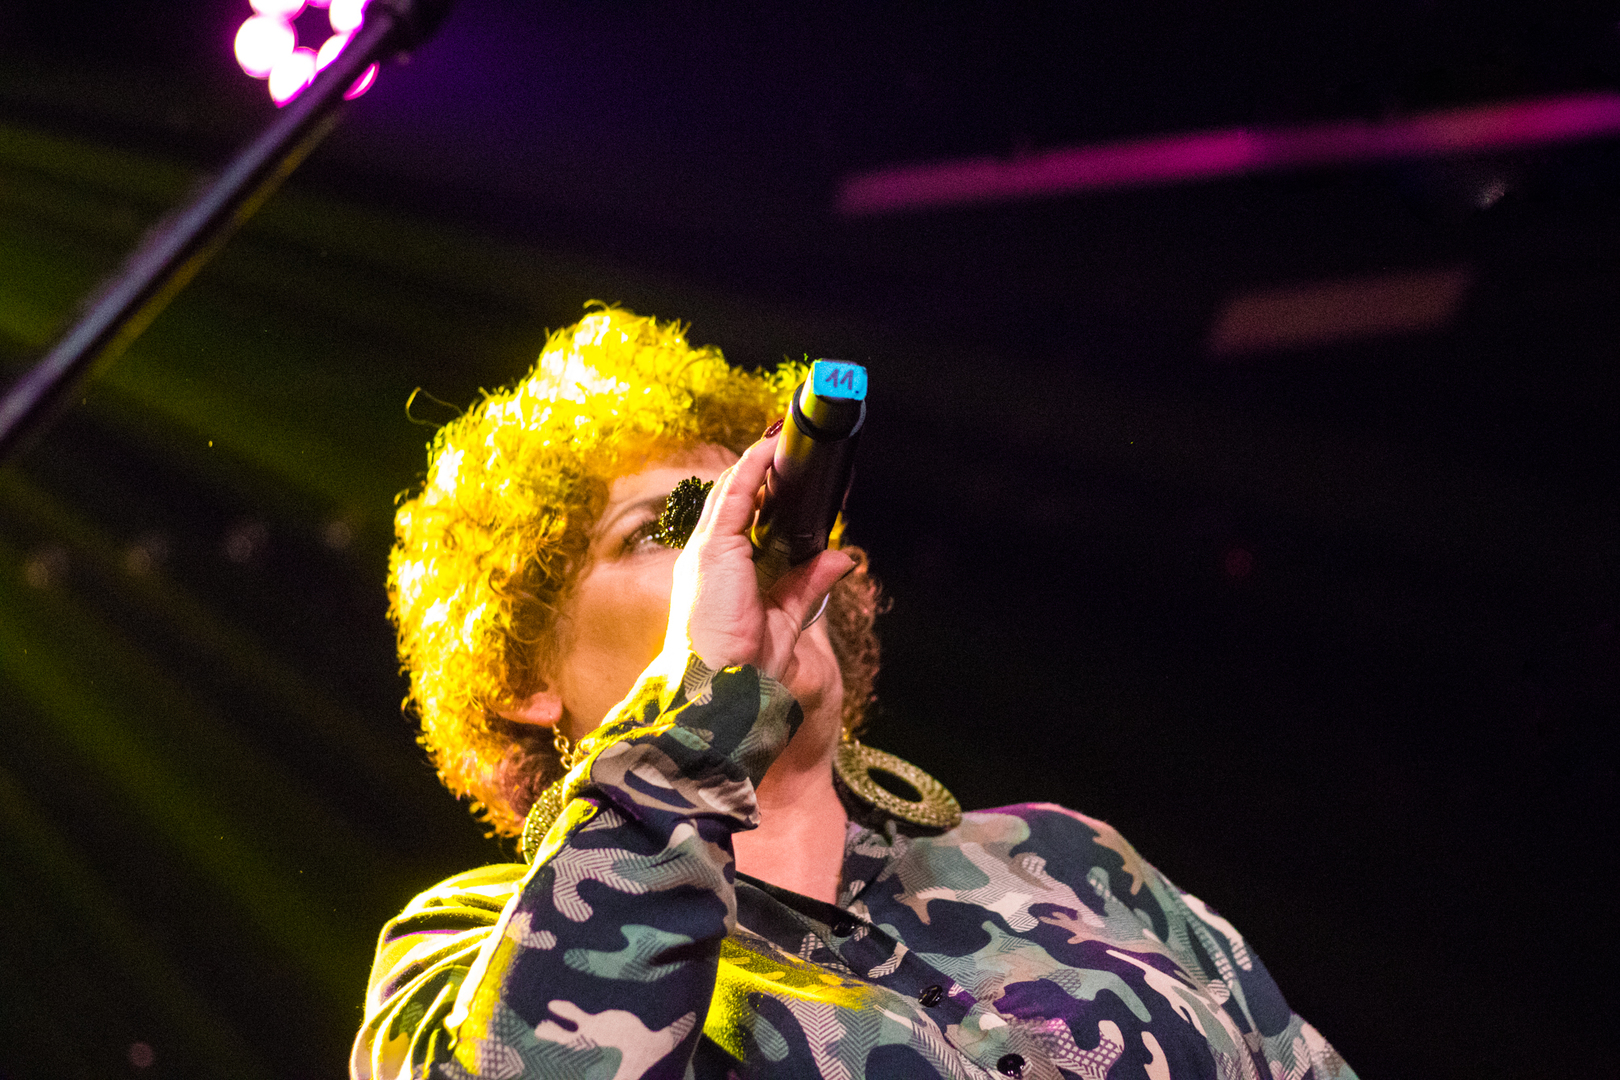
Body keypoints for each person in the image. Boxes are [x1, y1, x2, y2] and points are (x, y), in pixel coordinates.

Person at [352, 306, 1357, 1080]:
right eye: (667, 530)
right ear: (527, 677)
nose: (743, 551)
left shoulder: (1066, 859)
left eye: (760, 513)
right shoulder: (461, 953)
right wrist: (700, 704)